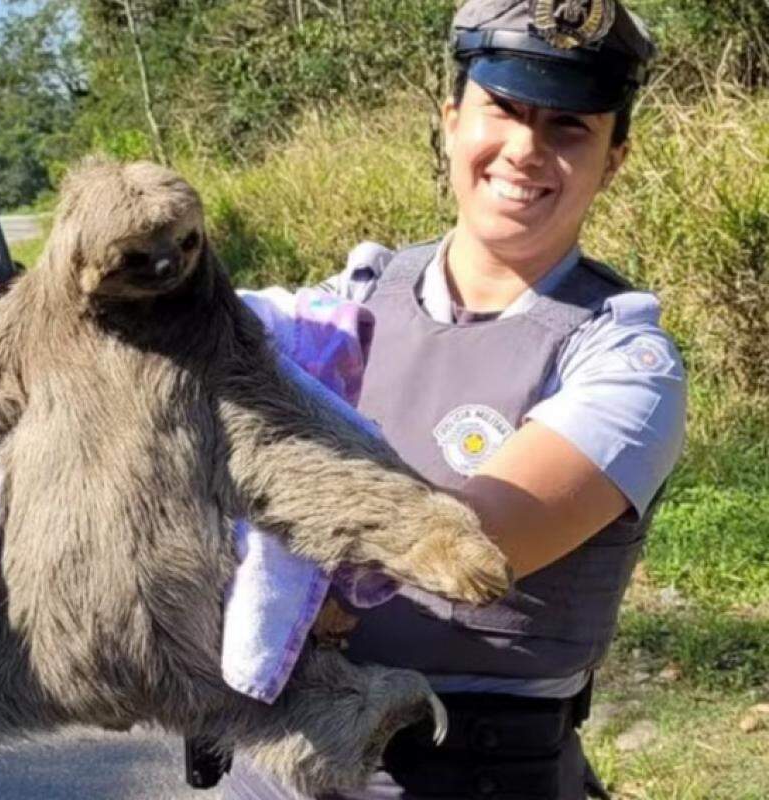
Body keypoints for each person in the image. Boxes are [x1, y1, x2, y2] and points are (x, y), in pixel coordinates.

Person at [219, 1, 686, 798]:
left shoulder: (623, 362)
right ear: (449, 121)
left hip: (467, 771)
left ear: (614, 160)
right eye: (502, 110)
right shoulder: (353, 300)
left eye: (570, 128)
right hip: (270, 764)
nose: (526, 150)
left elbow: (466, 548)